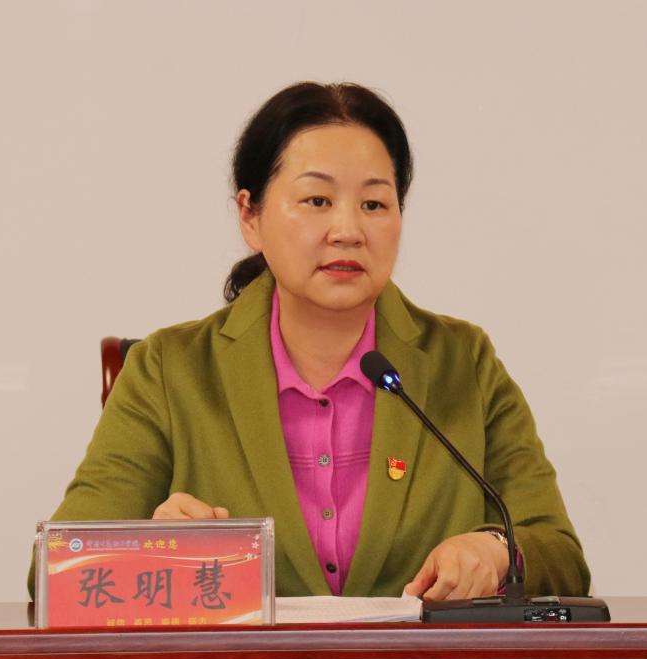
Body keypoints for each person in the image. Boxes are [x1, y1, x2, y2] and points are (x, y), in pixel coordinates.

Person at [31, 82, 590, 601]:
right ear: (250, 216)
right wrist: (155, 549)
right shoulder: (169, 370)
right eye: (317, 201)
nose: (348, 230)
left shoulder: (461, 362)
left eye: (374, 204)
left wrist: (496, 552)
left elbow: (561, 555)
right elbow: (54, 570)